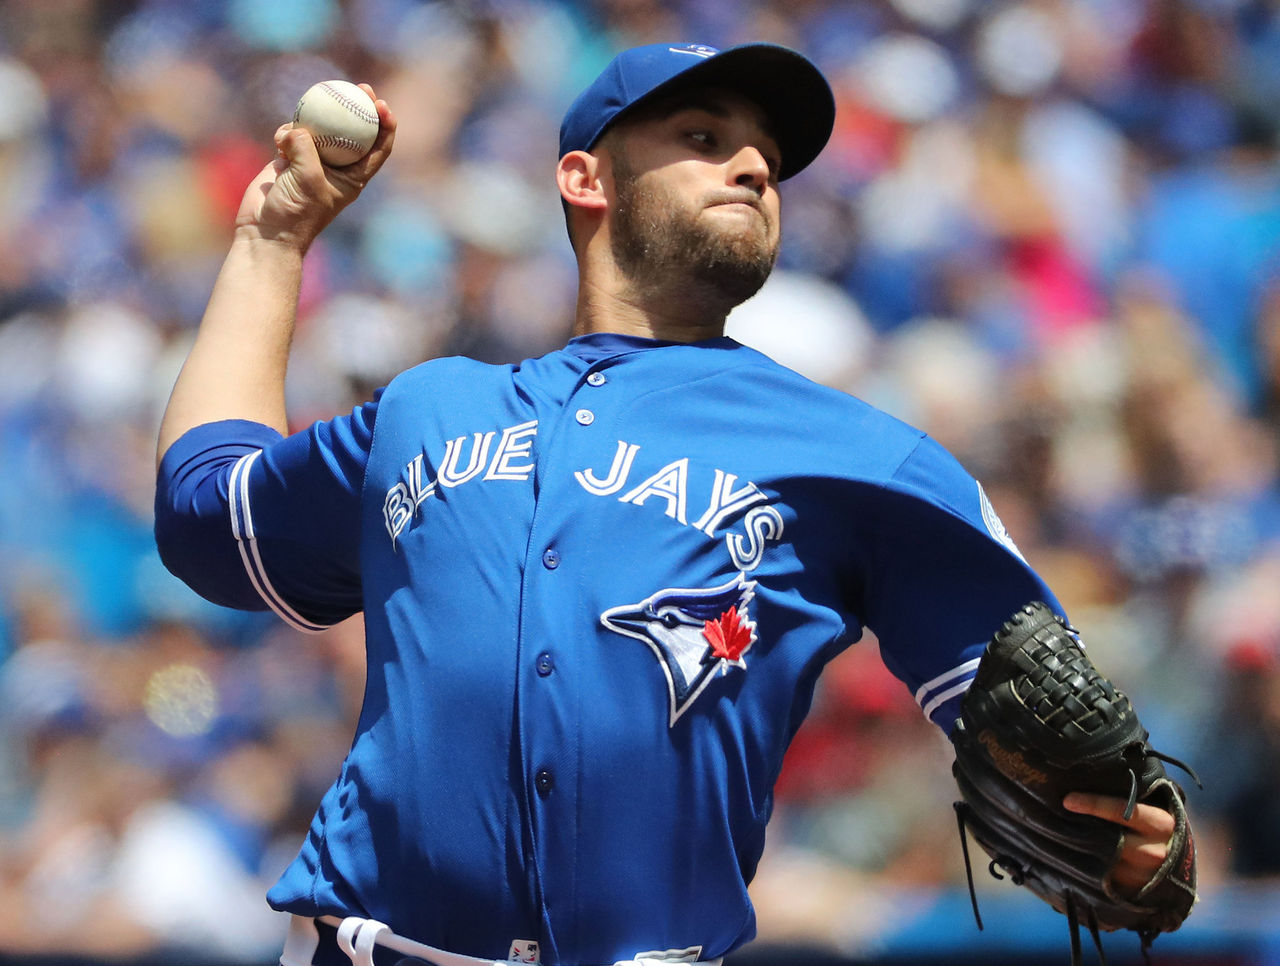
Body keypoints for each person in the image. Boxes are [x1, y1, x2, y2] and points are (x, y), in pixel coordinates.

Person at [154, 42, 1183, 966]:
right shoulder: (429, 409)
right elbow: (207, 512)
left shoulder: (860, 454)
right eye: (703, 137)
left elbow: (1048, 721)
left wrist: (1131, 836)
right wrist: (273, 240)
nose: (750, 168)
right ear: (583, 177)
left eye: (765, 162)